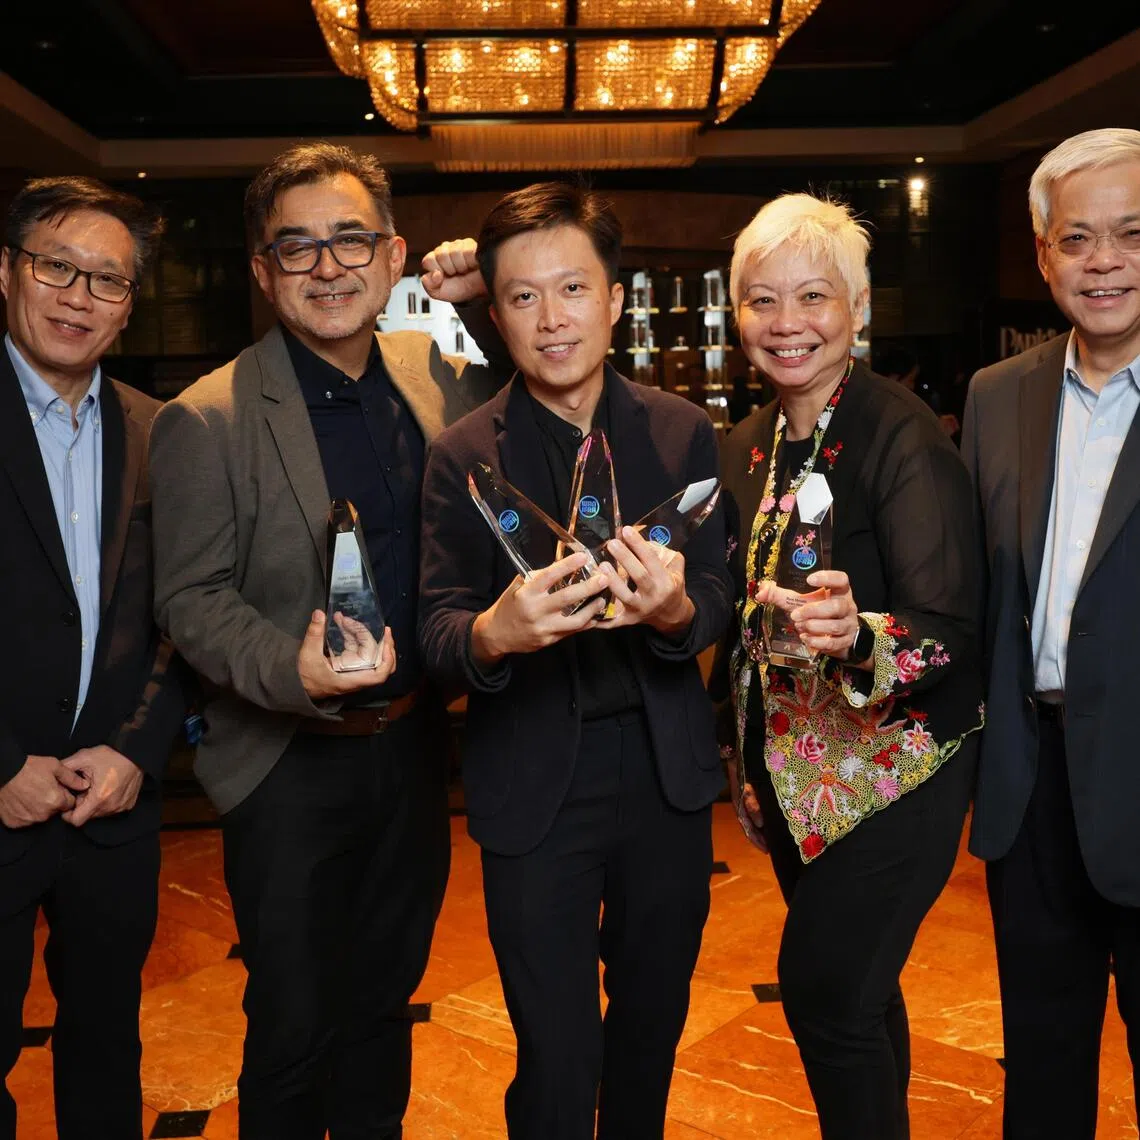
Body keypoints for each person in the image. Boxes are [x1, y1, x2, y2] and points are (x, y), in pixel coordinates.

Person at [148, 142, 510, 1140]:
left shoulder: (432, 377)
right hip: (287, 766)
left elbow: (535, 419)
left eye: (350, 240)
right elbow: (189, 595)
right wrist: (286, 668)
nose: (327, 267)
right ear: (262, 272)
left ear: (391, 256)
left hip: (410, 752)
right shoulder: (208, 417)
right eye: (296, 248)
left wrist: (484, 301)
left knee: (382, 1008)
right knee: (294, 1027)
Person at [417, 183, 732, 1139]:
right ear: (495, 313)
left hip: (664, 777)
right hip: (533, 785)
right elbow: (434, 629)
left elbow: (718, 593)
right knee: (556, 1058)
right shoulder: (464, 452)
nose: (552, 319)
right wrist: (493, 634)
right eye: (521, 297)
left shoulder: (680, 431)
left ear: (615, 300)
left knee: (649, 1035)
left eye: (573, 289)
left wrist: (676, 611)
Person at [711, 192, 983, 1139]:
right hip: (796, 781)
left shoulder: (900, 434)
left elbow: (951, 624)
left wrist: (860, 635)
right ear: (735, 313)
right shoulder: (749, 444)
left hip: (895, 777)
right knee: (861, 999)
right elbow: (738, 622)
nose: (789, 325)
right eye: (762, 301)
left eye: (814, 297)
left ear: (858, 309)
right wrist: (741, 761)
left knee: (825, 993)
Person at [963, 127, 1140, 1139]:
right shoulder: (998, 396)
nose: (1103, 261)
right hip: (1032, 789)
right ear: (1043, 254)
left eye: (1130, 234)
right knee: (1042, 1061)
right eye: (1077, 239)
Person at [0, 176, 185, 1139]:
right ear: (6, 271)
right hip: (0, 798)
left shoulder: (162, 433)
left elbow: (180, 617)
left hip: (112, 801)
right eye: (55, 267)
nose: (78, 296)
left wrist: (136, 750)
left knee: (107, 1047)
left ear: (128, 304)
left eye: (106, 281)